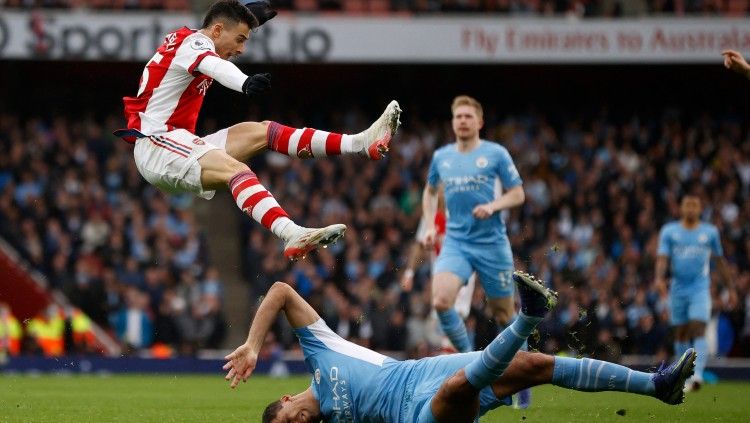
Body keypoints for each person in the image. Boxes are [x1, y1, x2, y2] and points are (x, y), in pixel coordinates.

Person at [115, 0, 402, 261]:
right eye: (239, 40)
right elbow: (214, 65)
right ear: (216, 30)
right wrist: (244, 82)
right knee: (236, 171)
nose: (241, 49)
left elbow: (223, 29)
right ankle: (291, 232)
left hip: (176, 142)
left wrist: (249, 16)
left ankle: (361, 143)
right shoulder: (195, 45)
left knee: (263, 132)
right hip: (157, 143)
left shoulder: (192, 40)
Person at [223, 272, 696, 423]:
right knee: (455, 388)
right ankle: (529, 315)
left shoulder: (319, 354)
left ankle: (658, 386)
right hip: (416, 414)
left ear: (285, 402)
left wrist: (251, 344)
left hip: (416, 373)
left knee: (535, 364)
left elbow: (282, 291)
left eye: (289, 422)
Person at [420, 95, 528, 404]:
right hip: (456, 241)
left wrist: (494, 205)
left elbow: (518, 194)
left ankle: (523, 378)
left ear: (479, 122)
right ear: (453, 123)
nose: (463, 121)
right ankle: (470, 364)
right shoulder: (442, 157)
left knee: (504, 314)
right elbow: (428, 193)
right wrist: (429, 225)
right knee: (441, 301)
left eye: (468, 116)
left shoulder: (495, 153)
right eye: (458, 117)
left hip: (492, 243)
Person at [656, 194, 732, 391]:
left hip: (700, 288)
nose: (690, 209)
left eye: (694, 205)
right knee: (681, 333)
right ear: (681, 208)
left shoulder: (710, 232)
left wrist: (730, 287)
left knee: (698, 328)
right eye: (687, 205)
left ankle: (697, 375)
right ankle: (684, 374)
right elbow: (662, 257)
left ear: (700, 209)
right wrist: (658, 278)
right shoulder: (670, 231)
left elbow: (720, 260)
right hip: (678, 289)